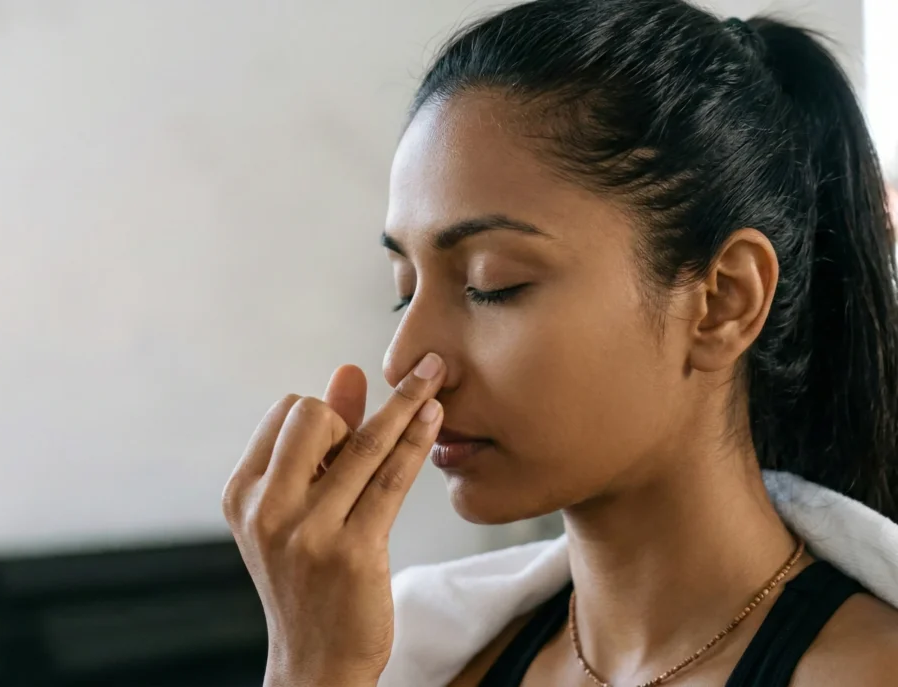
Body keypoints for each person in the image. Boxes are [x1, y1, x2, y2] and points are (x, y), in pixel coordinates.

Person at [221, 1, 898, 685]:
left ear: (723, 300)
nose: (404, 361)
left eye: (493, 283)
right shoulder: (429, 661)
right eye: (405, 287)